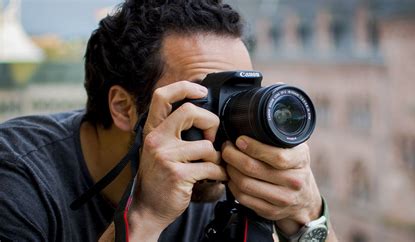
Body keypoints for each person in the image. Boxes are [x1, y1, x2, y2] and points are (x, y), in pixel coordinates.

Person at [0, 0, 338, 241]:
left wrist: (307, 217)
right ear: (123, 107)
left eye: (239, 97)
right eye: (206, 100)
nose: (230, 127)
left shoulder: (228, 179)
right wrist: (144, 216)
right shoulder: (17, 177)